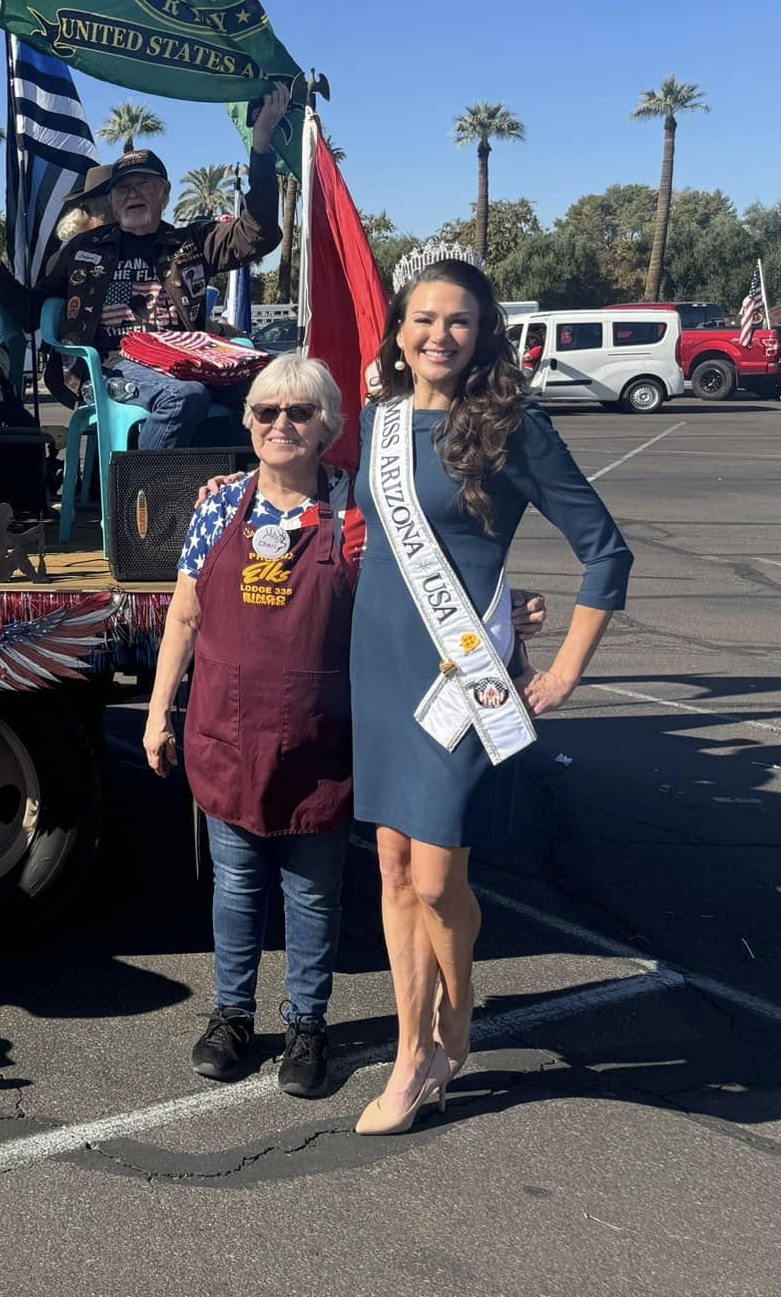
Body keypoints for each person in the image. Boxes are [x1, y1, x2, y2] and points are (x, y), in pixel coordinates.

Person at [350, 247, 631, 1135]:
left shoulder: (513, 428)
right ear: (400, 330)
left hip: (457, 678)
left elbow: (606, 551)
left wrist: (561, 672)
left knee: (436, 881)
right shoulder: (377, 421)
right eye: (425, 318)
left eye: (459, 320)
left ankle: (458, 1017)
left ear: (484, 334)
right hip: (380, 663)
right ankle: (411, 1051)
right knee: (394, 868)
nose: (441, 334)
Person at [144, 355, 363, 1098]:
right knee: (236, 885)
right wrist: (156, 713)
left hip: (319, 740)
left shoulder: (355, 511)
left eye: (299, 413)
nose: (282, 425)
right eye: (267, 411)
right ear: (247, 421)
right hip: (226, 732)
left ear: (327, 424)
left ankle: (307, 1024)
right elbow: (183, 615)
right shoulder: (219, 506)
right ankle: (232, 1016)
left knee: (311, 894)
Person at [0, 88, 288, 446]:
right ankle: (141, 498)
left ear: (164, 194)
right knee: (184, 397)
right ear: (113, 202)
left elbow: (259, 234)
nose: (133, 194)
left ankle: (249, 495)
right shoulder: (84, 249)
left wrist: (260, 146)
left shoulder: (192, 242)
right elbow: (33, 312)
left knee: (279, 389)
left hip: (188, 361)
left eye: (144, 184)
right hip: (106, 367)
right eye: (123, 189)